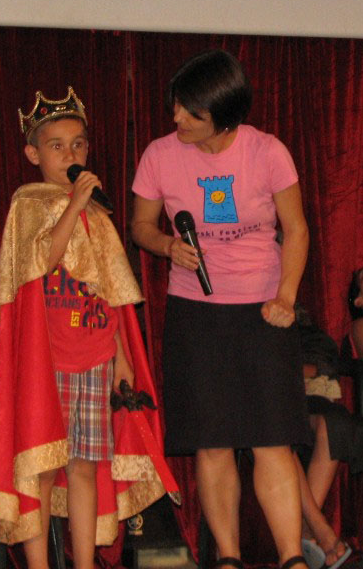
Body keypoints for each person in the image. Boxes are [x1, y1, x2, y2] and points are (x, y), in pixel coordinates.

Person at [0, 87, 175, 569]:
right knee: (43, 466)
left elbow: (113, 295)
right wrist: (72, 205)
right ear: (33, 154)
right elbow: (40, 262)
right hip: (47, 360)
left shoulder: (98, 214)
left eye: (78, 144)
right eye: (57, 146)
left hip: (95, 356)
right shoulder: (28, 203)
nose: (70, 154)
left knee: (86, 466)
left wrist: (122, 358)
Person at [131, 49, 311, 569]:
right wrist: (167, 246)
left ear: (224, 115)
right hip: (196, 312)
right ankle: (228, 558)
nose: (177, 118)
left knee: (271, 440)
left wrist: (286, 298)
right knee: (212, 443)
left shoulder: (267, 151)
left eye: (191, 111)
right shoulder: (159, 155)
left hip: (263, 309)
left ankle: (292, 558)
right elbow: (141, 227)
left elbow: (296, 230)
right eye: (176, 106)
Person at [293, 305, 353, 569]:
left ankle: (305, 530)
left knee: (335, 423)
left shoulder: (311, 335)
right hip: (268, 411)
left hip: (311, 403)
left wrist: (283, 367)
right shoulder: (247, 332)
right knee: (276, 434)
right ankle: (318, 529)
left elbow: (321, 368)